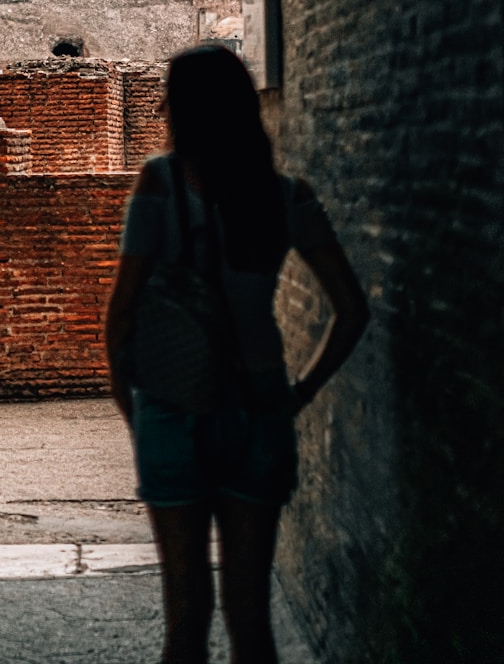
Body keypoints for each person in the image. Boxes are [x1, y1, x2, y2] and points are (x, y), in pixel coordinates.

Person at [106, 45, 369, 664]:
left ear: (182, 110)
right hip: (259, 408)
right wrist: (298, 392)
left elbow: (120, 317)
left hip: (173, 408)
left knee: (186, 619)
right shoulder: (287, 197)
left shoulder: (161, 184)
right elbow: (353, 311)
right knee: (251, 622)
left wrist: (138, 415)